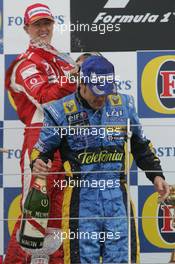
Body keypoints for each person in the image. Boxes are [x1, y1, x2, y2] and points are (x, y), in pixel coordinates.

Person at [30, 55, 170, 264]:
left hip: (117, 197)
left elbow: (141, 145)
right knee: (82, 259)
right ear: (82, 83)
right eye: (96, 93)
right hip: (81, 198)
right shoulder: (59, 111)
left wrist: (156, 174)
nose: (101, 98)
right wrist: (39, 162)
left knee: (123, 258)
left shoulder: (124, 104)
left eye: (106, 92)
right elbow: (41, 151)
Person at [4, 3, 77, 264]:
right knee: (34, 215)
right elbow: (45, 98)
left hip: (67, 141)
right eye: (37, 24)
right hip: (40, 140)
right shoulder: (25, 64)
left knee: (57, 217)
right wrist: (74, 79)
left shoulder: (62, 58)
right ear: (26, 29)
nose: (43, 29)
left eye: (47, 23)